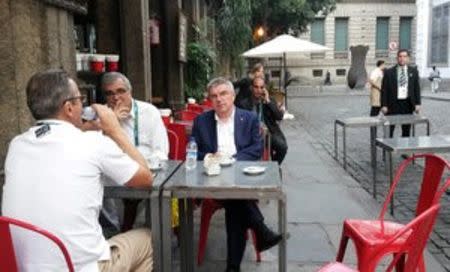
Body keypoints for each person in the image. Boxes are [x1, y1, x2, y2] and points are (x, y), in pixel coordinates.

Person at [2, 69, 154, 271]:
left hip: (22, 266)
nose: (83, 104)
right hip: (78, 267)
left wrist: (85, 129)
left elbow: (56, 140)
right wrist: (114, 130)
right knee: (150, 239)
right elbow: (146, 179)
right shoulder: (93, 143)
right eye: (79, 99)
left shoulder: (17, 145)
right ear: (69, 107)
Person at [191, 77, 282, 272]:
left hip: (240, 176)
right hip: (212, 180)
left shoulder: (248, 118)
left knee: (235, 202)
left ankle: (233, 267)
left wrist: (232, 159)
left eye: (223, 94)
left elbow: (256, 148)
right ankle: (260, 230)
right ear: (210, 100)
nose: (219, 99)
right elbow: (192, 151)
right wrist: (209, 156)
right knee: (237, 199)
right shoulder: (201, 121)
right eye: (214, 96)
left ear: (233, 96)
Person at [101, 72, 169, 231]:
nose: (116, 97)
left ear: (130, 92)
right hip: (114, 174)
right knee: (95, 186)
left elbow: (161, 151)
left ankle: (149, 236)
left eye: (120, 91)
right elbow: (96, 151)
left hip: (145, 170)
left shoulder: (149, 112)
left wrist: (143, 167)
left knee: (157, 192)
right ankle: (113, 232)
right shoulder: (101, 116)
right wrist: (113, 123)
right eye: (109, 93)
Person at [236, 76, 288, 164]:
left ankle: (275, 166)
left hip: (268, 133)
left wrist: (268, 101)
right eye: (256, 87)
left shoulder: (269, 100)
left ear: (265, 88)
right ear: (251, 87)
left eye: (261, 87)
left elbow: (279, 116)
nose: (258, 90)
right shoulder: (244, 103)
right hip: (251, 133)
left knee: (282, 147)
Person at [381, 49, 421, 137]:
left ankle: (404, 149)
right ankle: (389, 149)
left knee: (406, 130)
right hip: (392, 104)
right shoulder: (389, 72)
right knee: (389, 129)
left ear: (408, 58)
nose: (402, 58)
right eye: (400, 56)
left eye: (404, 56)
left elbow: (416, 88)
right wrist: (384, 105)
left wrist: (418, 103)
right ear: (397, 58)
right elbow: (384, 90)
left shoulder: (413, 71)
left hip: (407, 104)